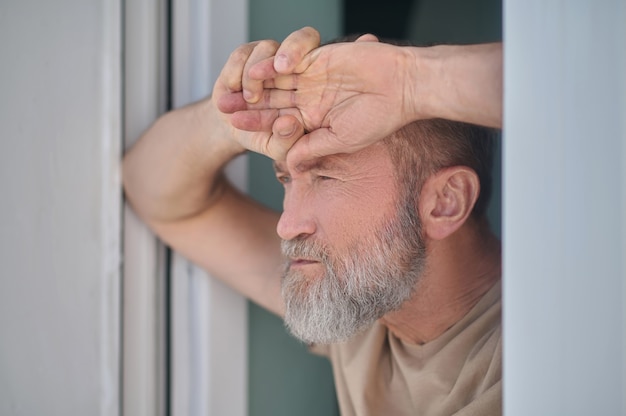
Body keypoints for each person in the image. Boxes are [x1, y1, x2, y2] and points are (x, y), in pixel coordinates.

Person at [123, 27, 503, 416]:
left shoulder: (543, 357)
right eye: (287, 177)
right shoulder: (361, 294)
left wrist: (409, 81)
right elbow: (153, 192)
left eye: (326, 177)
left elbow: (568, 85)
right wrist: (232, 118)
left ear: (445, 202)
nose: (287, 226)